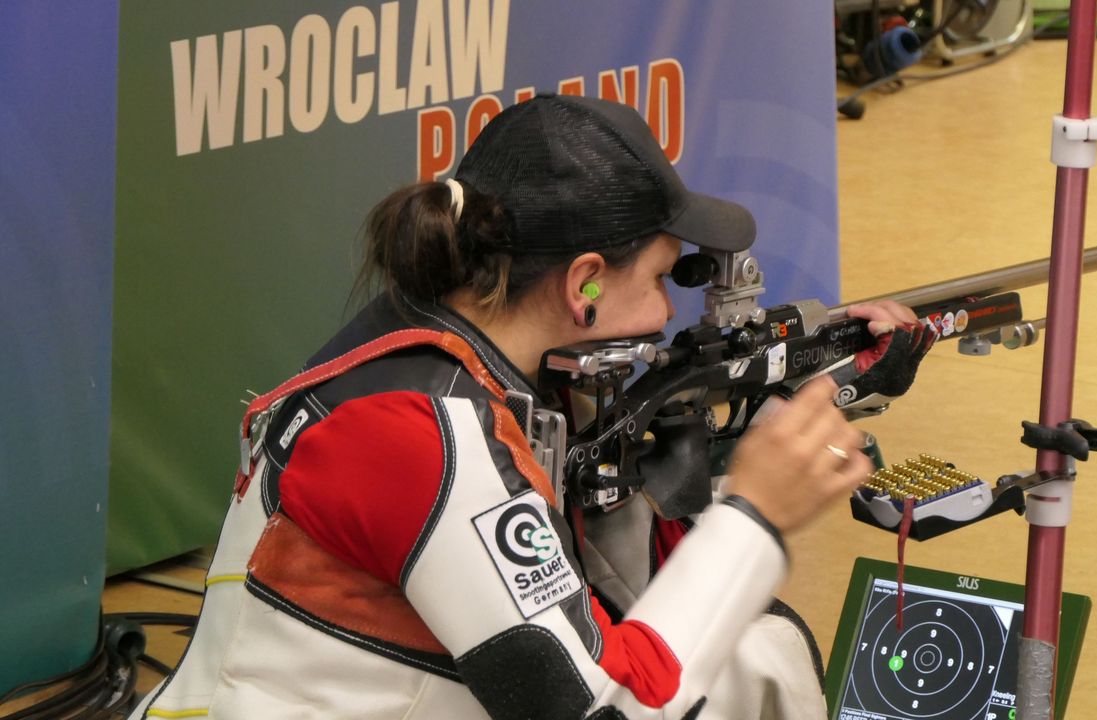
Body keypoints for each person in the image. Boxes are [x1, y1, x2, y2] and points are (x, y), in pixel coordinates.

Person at [130, 94, 930, 719]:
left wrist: (820, 378)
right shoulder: (430, 441)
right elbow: (605, 714)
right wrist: (754, 516)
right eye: (658, 280)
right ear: (583, 284)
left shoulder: (415, 341)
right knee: (763, 652)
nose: (664, 315)